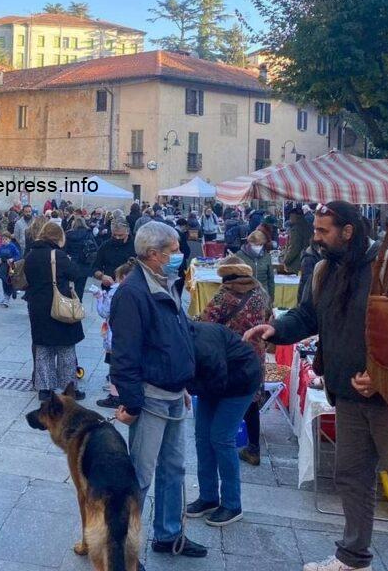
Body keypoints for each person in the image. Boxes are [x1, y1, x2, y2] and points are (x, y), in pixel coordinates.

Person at [244, 201, 388, 571]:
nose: (315, 238)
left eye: (322, 231)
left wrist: (382, 374)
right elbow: (308, 315)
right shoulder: (323, 270)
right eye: (314, 230)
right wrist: (277, 330)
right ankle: (353, 557)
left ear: (347, 232)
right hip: (347, 397)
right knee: (351, 479)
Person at [109, 222, 208, 559]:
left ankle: (168, 534)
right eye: (174, 249)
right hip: (150, 397)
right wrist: (132, 402)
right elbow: (124, 353)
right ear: (154, 254)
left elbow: (177, 338)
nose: (180, 255)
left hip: (173, 393)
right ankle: (124, 547)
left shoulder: (168, 283)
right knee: (140, 475)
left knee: (174, 468)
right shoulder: (133, 292)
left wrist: (182, 383)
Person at [184, 318, 263, 527]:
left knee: (221, 438)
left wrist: (186, 386)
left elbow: (216, 381)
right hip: (214, 381)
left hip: (241, 381)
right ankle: (208, 497)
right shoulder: (180, 338)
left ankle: (232, 504)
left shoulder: (202, 343)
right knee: (202, 437)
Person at [201, 258, 273, 468]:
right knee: (251, 402)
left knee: (227, 400)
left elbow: (206, 323)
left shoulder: (224, 296)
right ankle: (254, 448)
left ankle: (221, 441)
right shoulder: (259, 292)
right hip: (255, 355)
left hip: (231, 356)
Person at [23, 222, 86, 401]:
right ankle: (69, 389)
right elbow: (75, 274)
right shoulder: (58, 255)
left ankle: (44, 388)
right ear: (58, 237)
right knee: (66, 349)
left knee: (44, 348)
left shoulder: (31, 255)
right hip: (59, 305)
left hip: (38, 307)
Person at [94, 257, 137, 409]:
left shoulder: (114, 292)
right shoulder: (138, 290)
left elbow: (105, 312)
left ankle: (115, 396)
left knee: (114, 365)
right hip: (132, 335)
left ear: (123, 277)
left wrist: (99, 298)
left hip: (115, 335)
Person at [91, 220, 136, 289]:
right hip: (109, 287)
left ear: (127, 232)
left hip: (130, 287)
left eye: (120, 235)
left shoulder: (135, 246)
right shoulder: (105, 245)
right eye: (114, 235)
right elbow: (95, 268)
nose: (117, 238)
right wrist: (102, 276)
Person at [236, 230, 276, 304]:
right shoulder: (239, 256)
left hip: (263, 296)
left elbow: (270, 279)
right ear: (250, 243)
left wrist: (271, 298)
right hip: (245, 297)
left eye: (260, 245)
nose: (258, 247)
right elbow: (235, 278)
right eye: (255, 245)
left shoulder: (267, 256)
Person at [65, 216, 98, 300]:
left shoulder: (68, 234)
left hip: (71, 263)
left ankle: (68, 306)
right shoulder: (88, 233)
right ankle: (78, 307)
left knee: (66, 287)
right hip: (84, 263)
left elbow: (64, 249)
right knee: (80, 289)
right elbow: (95, 248)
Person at [0, 231, 22, 307]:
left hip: (11, 266)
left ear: (9, 239)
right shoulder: (0, 247)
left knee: (9, 280)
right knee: (4, 281)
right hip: (3, 266)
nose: (4, 241)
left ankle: (9, 295)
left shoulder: (12, 247)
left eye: (6, 239)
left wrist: (12, 259)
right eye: (2, 239)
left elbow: (18, 255)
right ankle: (6, 295)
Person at [283, 206, 314, 274]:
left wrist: (285, 260)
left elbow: (294, 247)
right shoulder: (307, 225)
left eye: (291, 216)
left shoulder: (296, 229)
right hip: (306, 259)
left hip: (296, 263)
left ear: (294, 216)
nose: (290, 218)